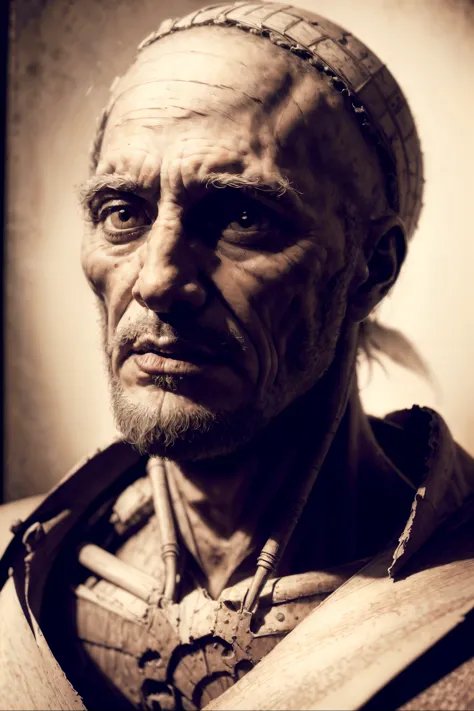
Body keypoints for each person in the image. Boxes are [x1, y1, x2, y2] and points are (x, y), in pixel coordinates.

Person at [1, 2, 473, 710]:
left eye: (243, 217)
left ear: (372, 268)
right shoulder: (20, 576)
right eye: (123, 211)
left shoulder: (454, 604)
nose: (158, 280)